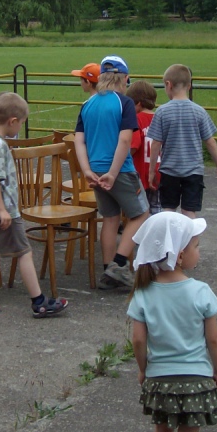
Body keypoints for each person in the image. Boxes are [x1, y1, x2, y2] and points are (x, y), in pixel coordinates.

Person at [128, 212, 217, 432]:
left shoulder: (143, 292)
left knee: (162, 431)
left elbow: (138, 340)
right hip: (197, 378)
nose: (199, 251)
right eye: (196, 246)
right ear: (180, 256)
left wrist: (143, 369)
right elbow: (214, 339)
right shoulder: (201, 291)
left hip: (161, 380)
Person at [0, 92, 69, 317]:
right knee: (24, 252)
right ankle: (39, 302)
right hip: (4, 211)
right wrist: (3, 210)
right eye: (21, 123)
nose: (20, 127)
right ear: (12, 121)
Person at [73, 55, 150, 290]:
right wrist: (114, 173)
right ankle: (119, 264)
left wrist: (87, 170)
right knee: (141, 215)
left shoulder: (88, 104)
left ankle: (108, 271)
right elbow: (125, 140)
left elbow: (79, 141)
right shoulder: (124, 103)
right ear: (125, 79)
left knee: (110, 218)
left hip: (95, 169)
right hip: (120, 170)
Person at [147, 65, 217, 218]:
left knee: (168, 210)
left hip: (169, 171)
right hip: (194, 171)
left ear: (168, 85)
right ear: (189, 86)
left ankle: (170, 234)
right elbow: (210, 142)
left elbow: (156, 143)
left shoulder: (162, 111)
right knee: (189, 211)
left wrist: (152, 171)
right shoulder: (199, 111)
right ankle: (191, 235)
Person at [127, 79, 162, 216]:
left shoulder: (136, 119)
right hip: (160, 170)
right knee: (157, 207)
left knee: (140, 210)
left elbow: (133, 145)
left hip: (141, 172)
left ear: (138, 103)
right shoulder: (160, 118)